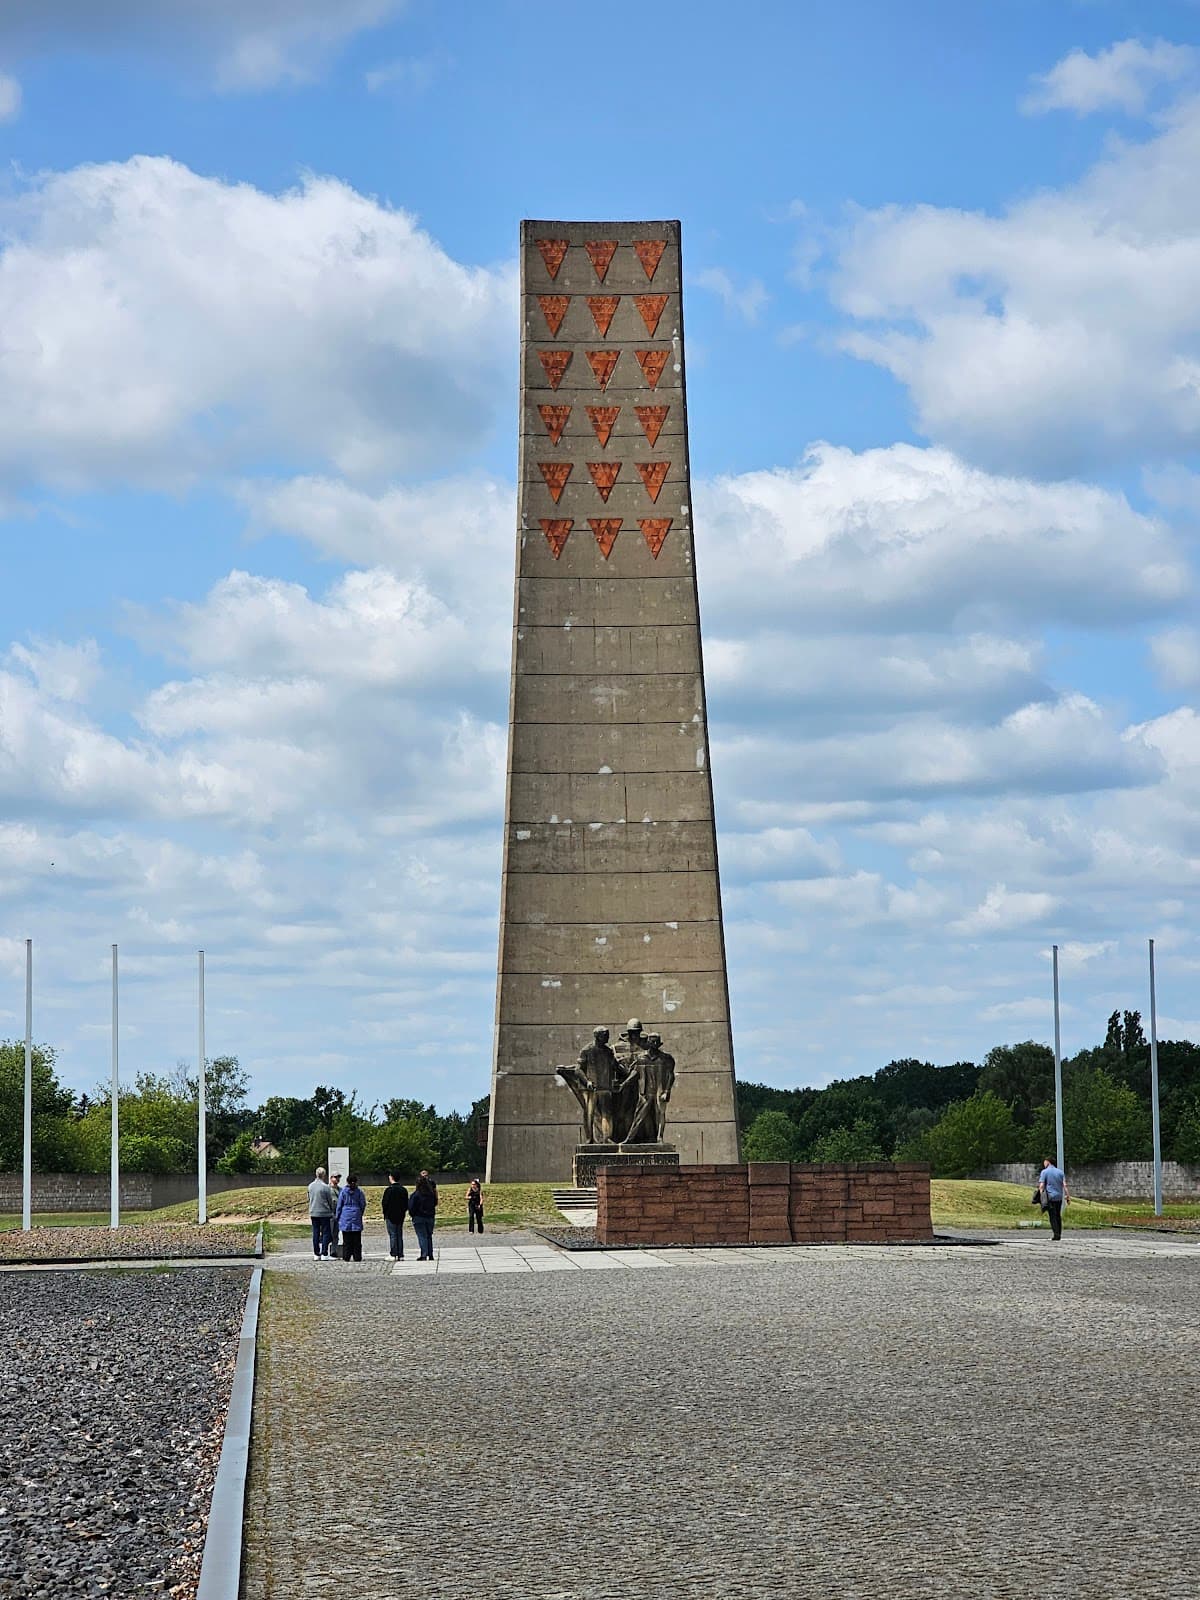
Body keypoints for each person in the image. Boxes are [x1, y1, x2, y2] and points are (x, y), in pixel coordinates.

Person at [306, 1165, 336, 1260]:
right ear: (324, 1175)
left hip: (313, 1212)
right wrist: (332, 1210)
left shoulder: (310, 1186)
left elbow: (309, 1198)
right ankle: (324, 1253)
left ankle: (316, 1253)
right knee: (326, 1232)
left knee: (315, 1232)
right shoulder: (325, 1187)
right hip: (324, 1212)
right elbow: (329, 1200)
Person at [335, 1175, 367, 1262]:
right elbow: (363, 1204)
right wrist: (360, 1212)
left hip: (345, 1214)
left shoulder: (343, 1192)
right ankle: (357, 1256)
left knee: (347, 1238)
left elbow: (339, 1205)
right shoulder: (359, 1192)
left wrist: (338, 1216)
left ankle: (346, 1256)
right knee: (357, 1238)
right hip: (356, 1213)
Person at [1038, 1157, 1070, 1241]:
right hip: (1059, 1197)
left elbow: (1041, 1185)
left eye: (1045, 1162)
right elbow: (1065, 1185)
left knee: (1052, 1216)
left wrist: (1041, 1195)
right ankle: (1059, 1233)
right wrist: (1067, 1196)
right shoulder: (1060, 1172)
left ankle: (1056, 1234)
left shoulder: (1044, 1172)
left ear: (1048, 1162)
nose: (1044, 1164)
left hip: (1050, 1197)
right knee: (1058, 1215)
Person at [381, 1171, 410, 1260]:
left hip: (390, 1215)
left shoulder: (389, 1190)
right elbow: (406, 1203)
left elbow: (384, 1203)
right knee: (399, 1234)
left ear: (391, 1177)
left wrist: (385, 1213)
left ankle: (393, 1253)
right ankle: (400, 1254)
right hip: (400, 1215)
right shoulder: (403, 1190)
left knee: (393, 1234)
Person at [409, 1173, 438, 1261]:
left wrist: (412, 1214)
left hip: (418, 1217)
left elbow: (411, 1207)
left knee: (422, 1236)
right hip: (430, 1217)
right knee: (429, 1235)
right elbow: (435, 1203)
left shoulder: (415, 1195)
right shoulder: (431, 1194)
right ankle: (430, 1254)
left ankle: (424, 1254)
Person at [328, 1172, 343, 1259]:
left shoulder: (340, 1190)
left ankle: (334, 1251)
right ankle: (325, 1251)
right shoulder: (327, 1189)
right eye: (335, 1177)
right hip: (329, 1214)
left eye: (338, 1177)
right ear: (331, 1178)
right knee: (328, 1233)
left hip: (338, 1214)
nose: (337, 1179)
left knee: (335, 1234)